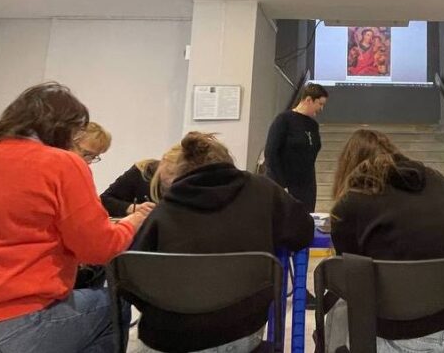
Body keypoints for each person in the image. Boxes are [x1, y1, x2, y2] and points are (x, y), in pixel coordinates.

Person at [0, 82, 148, 352]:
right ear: (68, 129)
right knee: (113, 304)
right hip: (6, 327)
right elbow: (100, 249)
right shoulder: (61, 164)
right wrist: (131, 223)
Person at [130, 132, 314, 353]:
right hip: (239, 332)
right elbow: (303, 232)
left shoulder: (164, 211)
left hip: (167, 338)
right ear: (228, 162)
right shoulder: (264, 190)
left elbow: (133, 281)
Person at [319, 129, 444, 353]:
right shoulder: (438, 182)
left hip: (400, 333)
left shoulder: (350, 204)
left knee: (340, 305)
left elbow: (349, 272)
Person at [265, 83, 328, 212]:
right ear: (309, 100)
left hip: (306, 185)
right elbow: (271, 152)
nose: (321, 108)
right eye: (320, 104)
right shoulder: (283, 120)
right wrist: (281, 184)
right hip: (285, 183)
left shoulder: (313, 125)